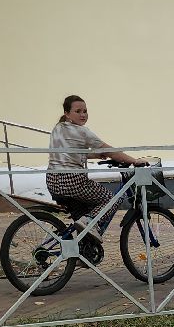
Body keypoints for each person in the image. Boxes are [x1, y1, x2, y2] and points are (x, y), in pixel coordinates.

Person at [47, 95, 153, 228]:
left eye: (85, 111)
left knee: (83, 215)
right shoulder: (82, 131)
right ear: (67, 113)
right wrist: (134, 161)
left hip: (53, 182)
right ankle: (89, 224)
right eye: (78, 111)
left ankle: (83, 242)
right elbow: (110, 151)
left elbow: (69, 153)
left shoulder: (58, 128)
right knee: (112, 199)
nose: (83, 115)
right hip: (72, 182)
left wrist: (94, 155)